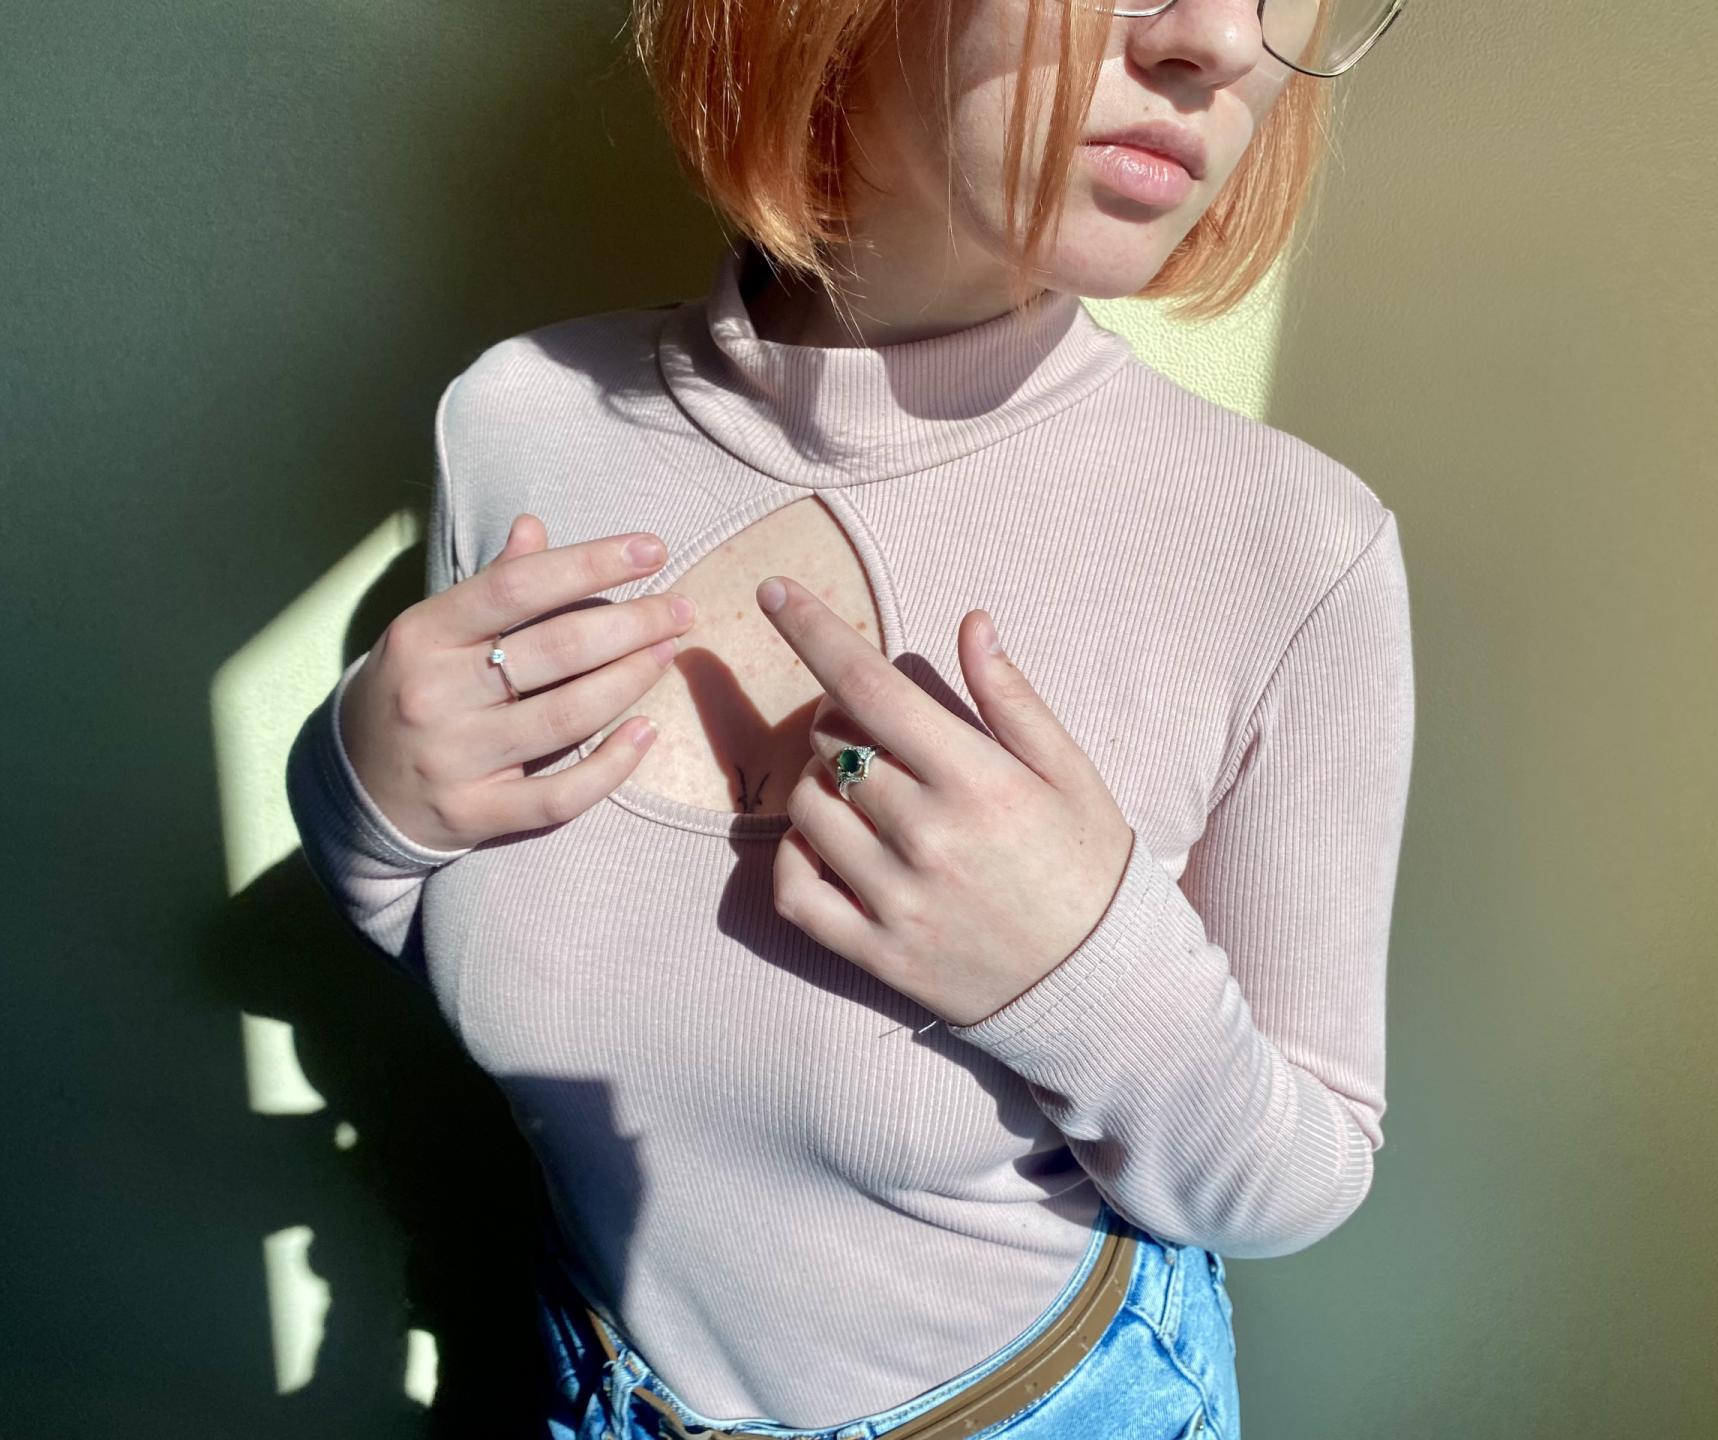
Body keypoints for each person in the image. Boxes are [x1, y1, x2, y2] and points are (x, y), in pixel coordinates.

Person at [284, 1, 1414, 1436]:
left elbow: (1303, 1176)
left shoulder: (1289, 551)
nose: (1221, 43)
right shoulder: (519, 423)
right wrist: (356, 794)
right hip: (572, 1381)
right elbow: (447, 914)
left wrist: (1085, 974)